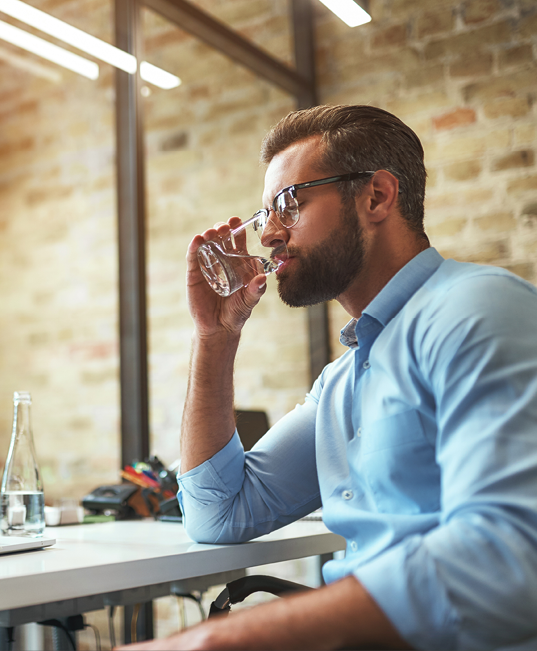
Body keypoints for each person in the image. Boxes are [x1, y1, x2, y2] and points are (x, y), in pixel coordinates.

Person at [124, 104, 537, 650]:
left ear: (377, 197)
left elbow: (510, 561)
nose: (268, 233)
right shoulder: (344, 381)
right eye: (265, 212)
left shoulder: (477, 310)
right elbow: (217, 514)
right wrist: (216, 337)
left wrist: (220, 640)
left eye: (289, 204)